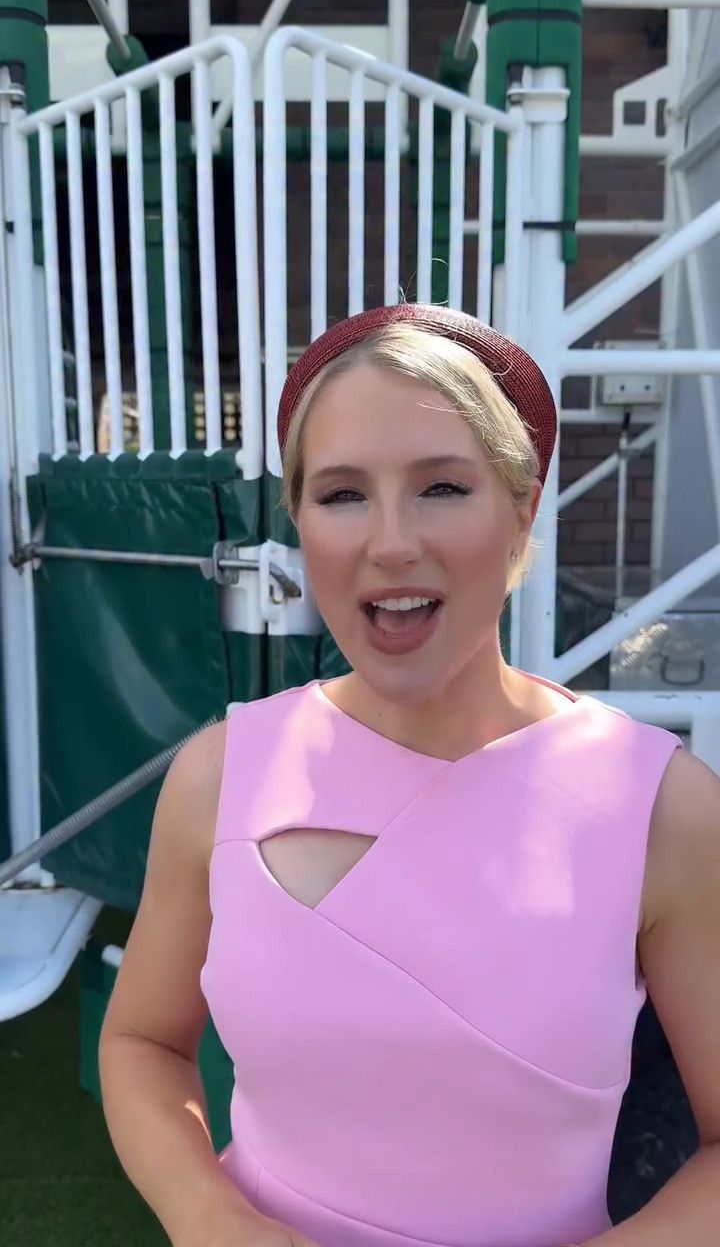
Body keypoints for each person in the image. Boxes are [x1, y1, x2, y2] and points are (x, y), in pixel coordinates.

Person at [99, 304, 720, 1247]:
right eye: (342, 494)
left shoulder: (664, 810)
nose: (390, 542)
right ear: (301, 523)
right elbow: (141, 1041)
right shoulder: (218, 778)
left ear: (521, 511)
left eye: (441, 487)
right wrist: (206, 1214)